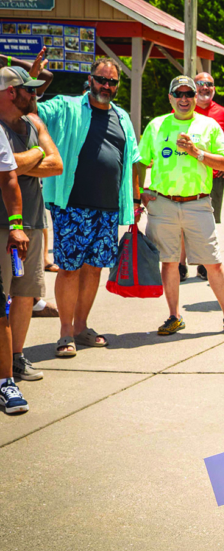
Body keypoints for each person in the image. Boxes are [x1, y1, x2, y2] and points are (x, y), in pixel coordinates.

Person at [37, 59, 141, 358]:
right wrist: (35, 80)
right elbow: (34, 110)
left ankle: (81, 327)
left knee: (94, 269)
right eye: (101, 79)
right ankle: (65, 332)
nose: (106, 86)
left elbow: (133, 161)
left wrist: (135, 200)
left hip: (108, 208)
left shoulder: (122, 117)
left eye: (112, 82)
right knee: (70, 270)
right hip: (72, 205)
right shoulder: (67, 106)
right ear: (90, 79)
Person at [137, 76, 224, 338]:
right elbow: (140, 161)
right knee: (169, 263)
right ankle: (174, 316)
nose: (184, 99)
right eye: (179, 94)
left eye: (189, 94)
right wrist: (140, 192)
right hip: (163, 204)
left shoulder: (209, 125)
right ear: (170, 97)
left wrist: (197, 152)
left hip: (197, 203)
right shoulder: (156, 125)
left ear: (196, 97)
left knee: (213, 263)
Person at [0, 66, 57, 390]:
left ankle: (17, 357)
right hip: (4, 225)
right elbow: (8, 167)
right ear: (12, 92)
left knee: (25, 294)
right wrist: (37, 154)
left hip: (33, 222)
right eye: (30, 90)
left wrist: (17, 162)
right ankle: (3, 367)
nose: (35, 95)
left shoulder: (33, 122)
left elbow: (56, 164)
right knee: (2, 295)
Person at [194, 71, 224, 226]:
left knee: (210, 222)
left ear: (214, 89)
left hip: (215, 176)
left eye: (209, 84)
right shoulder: (182, 110)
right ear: (193, 88)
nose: (205, 87)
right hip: (189, 174)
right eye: (200, 84)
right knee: (186, 220)